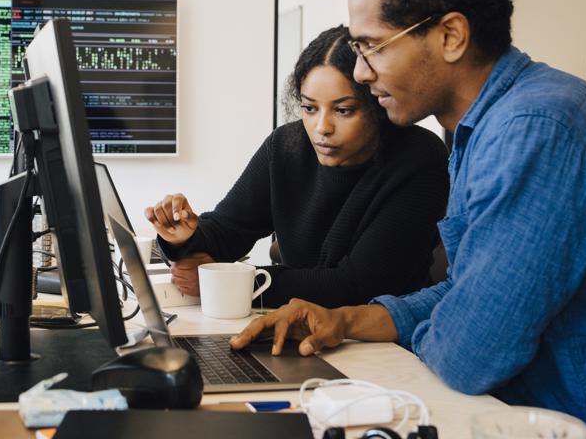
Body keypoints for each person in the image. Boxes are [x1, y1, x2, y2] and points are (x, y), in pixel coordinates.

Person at [229, 0, 586, 438]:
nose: (360, 72)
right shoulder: (482, 129)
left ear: (450, 35)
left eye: (373, 47)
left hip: (578, 424)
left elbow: (471, 354)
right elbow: (465, 291)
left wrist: (447, 324)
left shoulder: (535, 132)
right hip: (514, 410)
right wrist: (345, 319)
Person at [145, 25, 449, 309]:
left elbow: (359, 285)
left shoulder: (419, 158)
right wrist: (183, 238)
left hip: (383, 345)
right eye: (309, 108)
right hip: (299, 324)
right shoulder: (287, 146)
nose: (321, 128)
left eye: (343, 110)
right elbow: (229, 228)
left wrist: (233, 284)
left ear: (376, 105)